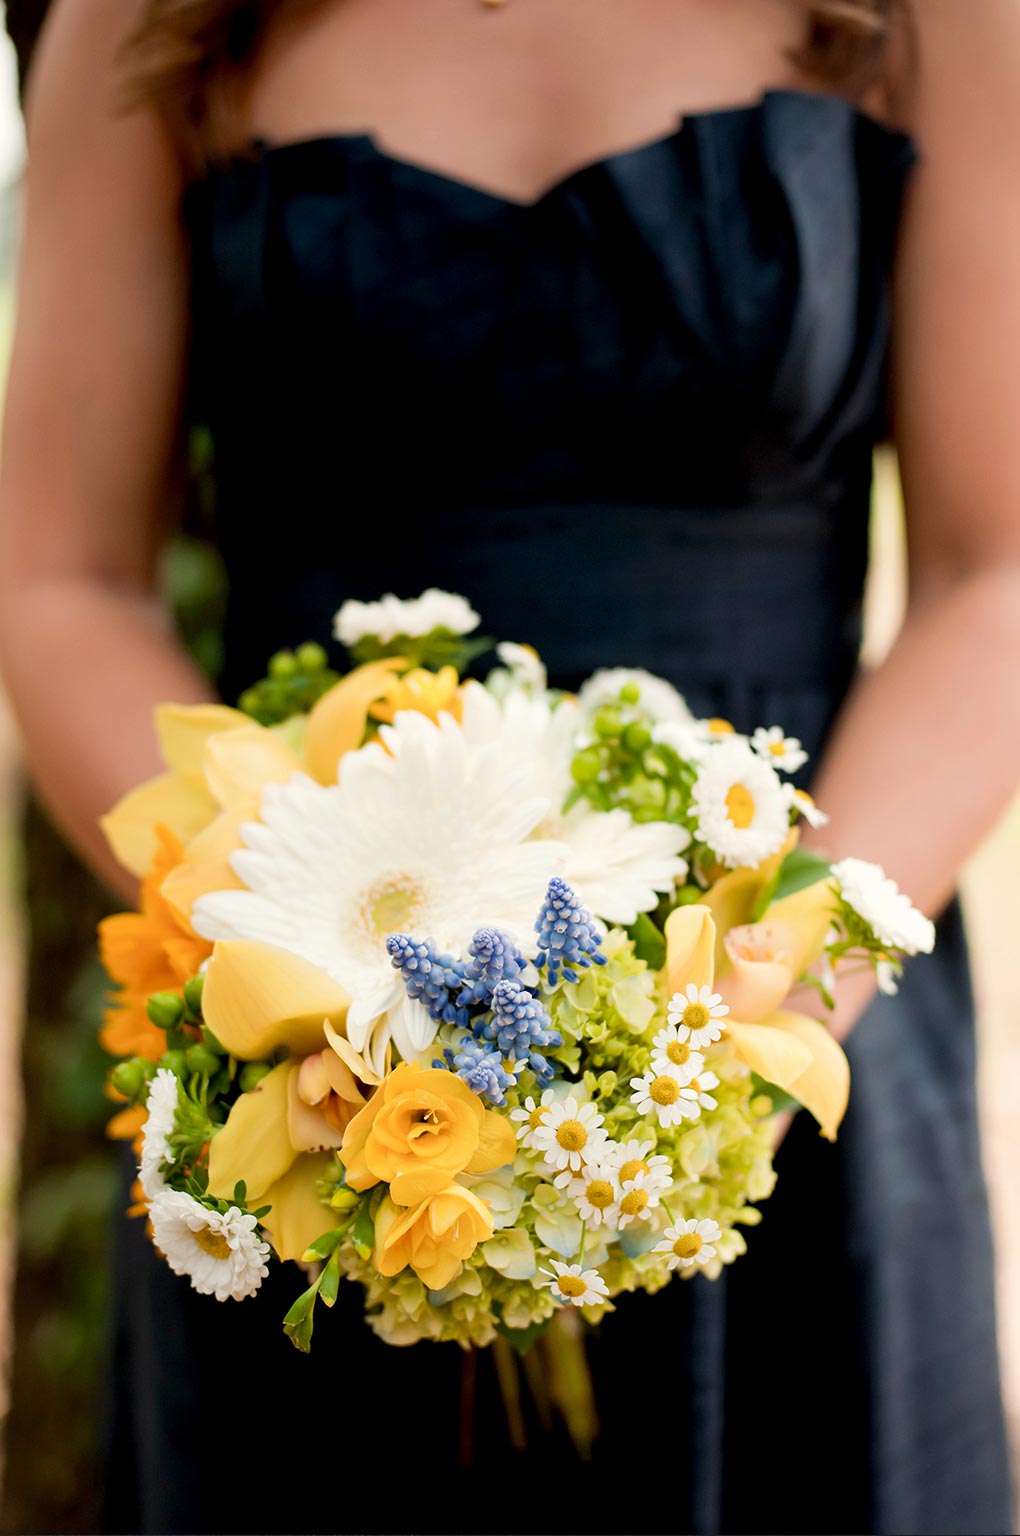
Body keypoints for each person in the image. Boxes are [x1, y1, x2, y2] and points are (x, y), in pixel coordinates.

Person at [0, 0, 1017, 1531]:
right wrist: (298, 970)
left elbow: (992, 573)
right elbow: (62, 579)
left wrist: (728, 1030)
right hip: (321, 1084)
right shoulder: (152, 20)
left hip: (788, 998)